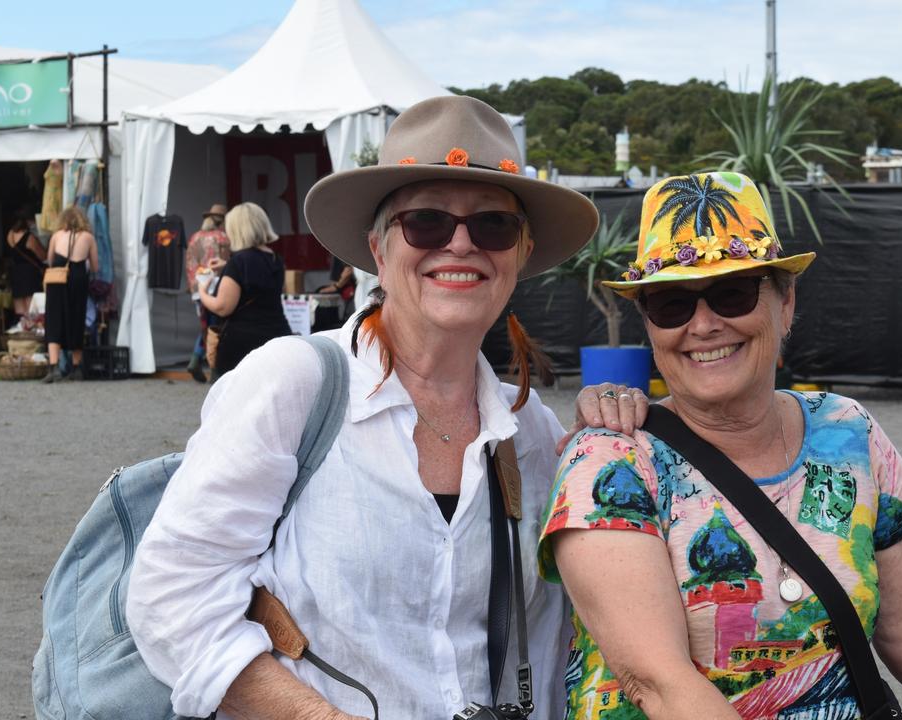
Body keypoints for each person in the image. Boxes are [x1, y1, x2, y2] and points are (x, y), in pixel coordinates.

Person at [127, 95, 636, 719]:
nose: (460, 245)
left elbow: (567, 632)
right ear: (377, 249)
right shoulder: (295, 386)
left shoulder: (532, 432)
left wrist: (611, 448)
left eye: (493, 225)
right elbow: (171, 597)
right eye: (426, 221)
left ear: (521, 253)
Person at [539, 172, 902, 719]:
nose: (704, 324)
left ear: (785, 302)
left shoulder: (846, 430)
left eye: (732, 293)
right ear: (649, 325)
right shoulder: (611, 462)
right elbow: (657, 681)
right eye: (671, 304)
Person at [196, 202, 292, 378]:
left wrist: (202, 291)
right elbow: (266, 282)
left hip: (241, 346)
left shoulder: (239, 261)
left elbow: (223, 307)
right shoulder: (275, 259)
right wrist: (227, 267)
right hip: (277, 337)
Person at [42, 206, 98, 383]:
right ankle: (76, 368)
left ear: (63, 220)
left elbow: (50, 260)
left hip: (57, 280)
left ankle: (54, 368)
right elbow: (95, 267)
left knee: (54, 320)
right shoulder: (88, 238)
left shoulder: (56, 236)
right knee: (76, 319)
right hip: (78, 280)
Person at [184, 203, 231, 382]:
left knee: (206, 326)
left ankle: (197, 360)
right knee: (215, 328)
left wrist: (193, 286)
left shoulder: (194, 238)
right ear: (222, 221)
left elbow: (188, 264)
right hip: (217, 286)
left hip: (198, 288)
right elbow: (228, 264)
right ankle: (212, 367)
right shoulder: (222, 238)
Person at [6, 207, 48, 319]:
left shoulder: (9, 235)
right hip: (30, 275)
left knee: (20, 312)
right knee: (33, 312)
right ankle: (31, 333)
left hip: (16, 274)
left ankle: (22, 331)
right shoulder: (29, 238)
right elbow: (43, 256)